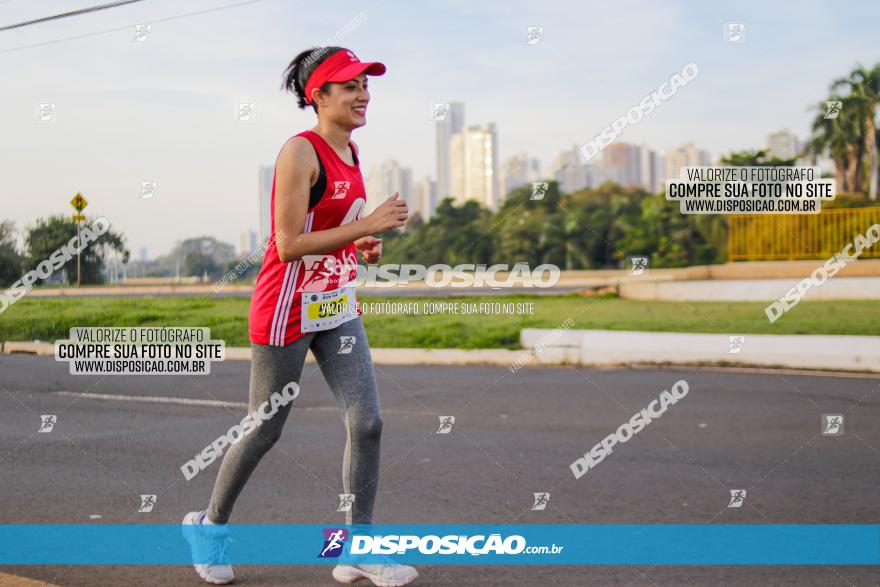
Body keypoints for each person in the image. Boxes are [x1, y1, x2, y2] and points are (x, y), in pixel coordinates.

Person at [183, 46, 418, 586]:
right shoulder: (300, 152)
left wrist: (364, 247)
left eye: (366, 85)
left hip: (336, 307)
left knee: (368, 422)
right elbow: (288, 245)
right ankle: (209, 527)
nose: (363, 95)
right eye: (350, 86)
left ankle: (358, 548)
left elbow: (331, 230)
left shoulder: (352, 153)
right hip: (286, 309)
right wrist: (366, 226)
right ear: (319, 95)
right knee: (264, 430)